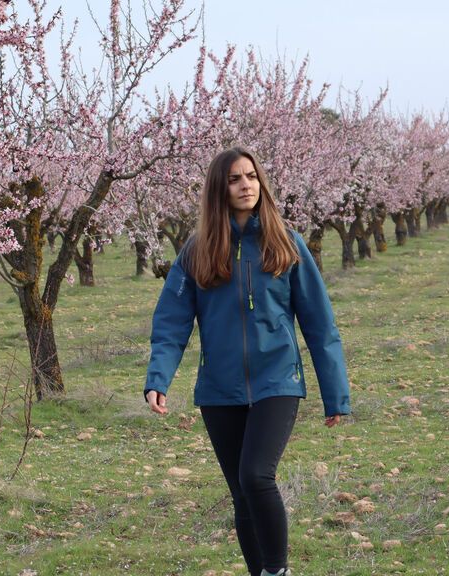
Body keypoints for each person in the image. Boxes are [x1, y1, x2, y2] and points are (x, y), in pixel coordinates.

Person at [144, 147, 351, 576]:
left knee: (257, 476)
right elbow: (171, 324)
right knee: (241, 491)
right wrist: (158, 378)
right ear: (220, 189)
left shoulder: (286, 245)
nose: (246, 185)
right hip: (219, 388)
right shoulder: (197, 251)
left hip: (278, 380)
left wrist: (336, 396)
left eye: (252, 176)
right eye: (236, 179)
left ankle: (278, 571)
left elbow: (320, 326)